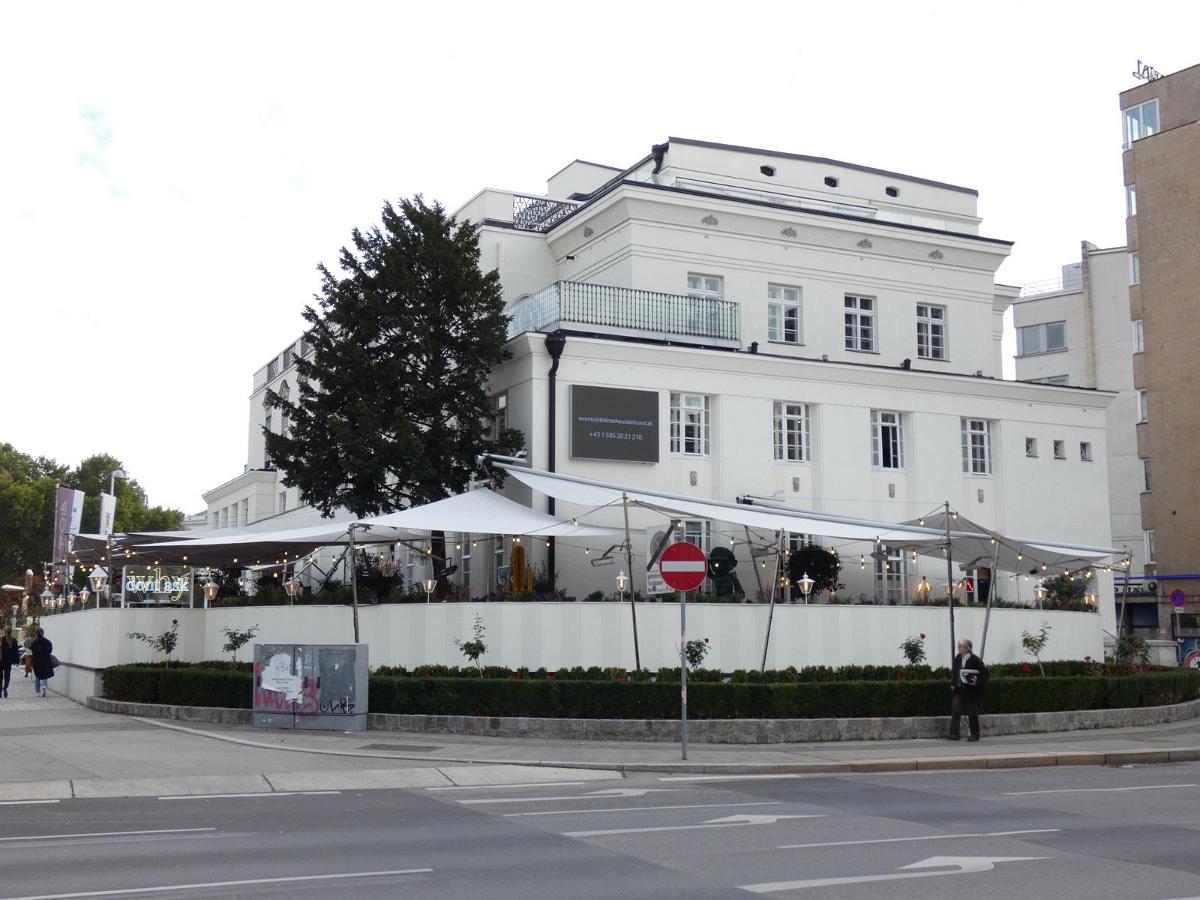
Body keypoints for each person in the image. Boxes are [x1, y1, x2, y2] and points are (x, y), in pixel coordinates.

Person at [949, 637, 987, 741]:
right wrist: (953, 683)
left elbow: (984, 673)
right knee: (956, 710)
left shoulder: (975, 659)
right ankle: (954, 733)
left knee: (972, 713)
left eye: (960, 646)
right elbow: (955, 672)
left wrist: (977, 681)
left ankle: (975, 734)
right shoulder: (958, 657)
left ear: (967, 648)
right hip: (959, 690)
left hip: (971, 692)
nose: (958, 648)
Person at [30, 628, 53, 698]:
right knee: (45, 676)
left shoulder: (34, 643)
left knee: (37, 676)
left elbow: (32, 652)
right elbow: (50, 650)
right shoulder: (47, 642)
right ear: (43, 633)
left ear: (35, 634)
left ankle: (38, 692)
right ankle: (44, 689)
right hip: (45, 661)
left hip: (37, 662)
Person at [0, 629, 19, 698]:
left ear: (4, 632)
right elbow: (16, 652)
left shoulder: (1, 639)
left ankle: (0, 693)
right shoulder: (14, 641)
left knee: (0, 677)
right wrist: (17, 661)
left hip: (0, 661)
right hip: (8, 662)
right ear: (11, 632)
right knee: (7, 676)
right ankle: (5, 687)